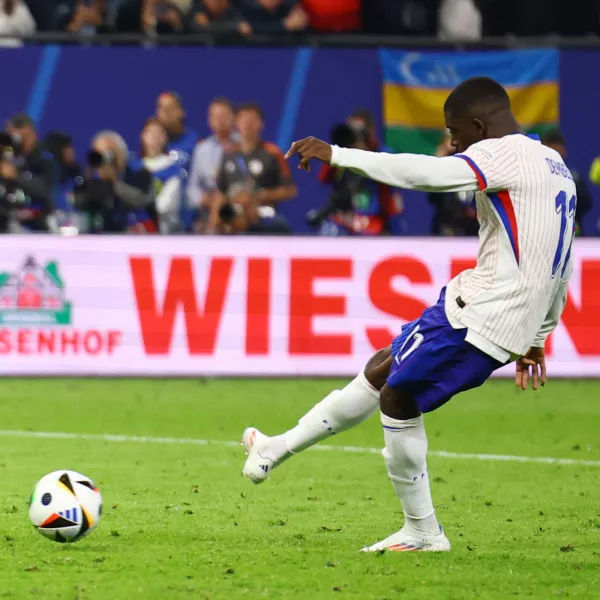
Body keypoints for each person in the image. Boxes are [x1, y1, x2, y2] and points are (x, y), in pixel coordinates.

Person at [241, 77, 577, 552]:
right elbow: (562, 259)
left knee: (398, 398)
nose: (452, 143)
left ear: (479, 125)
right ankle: (275, 447)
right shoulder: (556, 165)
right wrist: (540, 334)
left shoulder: (502, 154)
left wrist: (339, 154)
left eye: (454, 132)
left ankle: (422, 531)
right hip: (481, 305)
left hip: (486, 313)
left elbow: (425, 175)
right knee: (384, 366)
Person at [209, 102, 296, 233]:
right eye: (243, 120)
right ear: (236, 123)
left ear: (261, 124)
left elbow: (290, 190)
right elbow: (220, 190)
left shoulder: (272, 153)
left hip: (263, 213)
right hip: (233, 212)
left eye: (252, 120)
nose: (248, 124)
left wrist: (260, 195)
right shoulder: (228, 154)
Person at [74, 130, 156, 233]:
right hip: (101, 235)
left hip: (135, 234)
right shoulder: (92, 177)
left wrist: (114, 183)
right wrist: (88, 182)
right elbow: (78, 204)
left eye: (109, 153)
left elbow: (142, 200)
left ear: (122, 153)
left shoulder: (140, 172)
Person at [187, 97, 237, 223]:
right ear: (209, 120)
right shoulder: (201, 149)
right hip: (207, 208)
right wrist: (202, 199)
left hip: (238, 204)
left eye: (223, 115)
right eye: (214, 116)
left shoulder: (243, 146)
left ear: (234, 118)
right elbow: (193, 187)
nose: (219, 120)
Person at [5, 113, 57, 231]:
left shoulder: (46, 157)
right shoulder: (11, 156)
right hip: (10, 220)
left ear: (30, 132)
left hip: (40, 223)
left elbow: (46, 190)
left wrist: (15, 176)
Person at [541, 129, 592, 236]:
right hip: (544, 232)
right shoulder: (535, 176)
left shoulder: (574, 177)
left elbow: (586, 203)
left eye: (558, 150)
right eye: (552, 149)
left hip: (572, 230)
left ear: (564, 151)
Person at [140, 118, 186, 234]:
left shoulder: (173, 169)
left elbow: (166, 205)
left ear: (165, 137)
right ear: (143, 136)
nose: (154, 137)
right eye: (150, 132)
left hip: (166, 229)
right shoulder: (134, 167)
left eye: (159, 132)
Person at [155, 91, 199, 160]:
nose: (166, 112)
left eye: (171, 108)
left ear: (182, 112)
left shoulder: (197, 143)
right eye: (161, 108)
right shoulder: (152, 144)